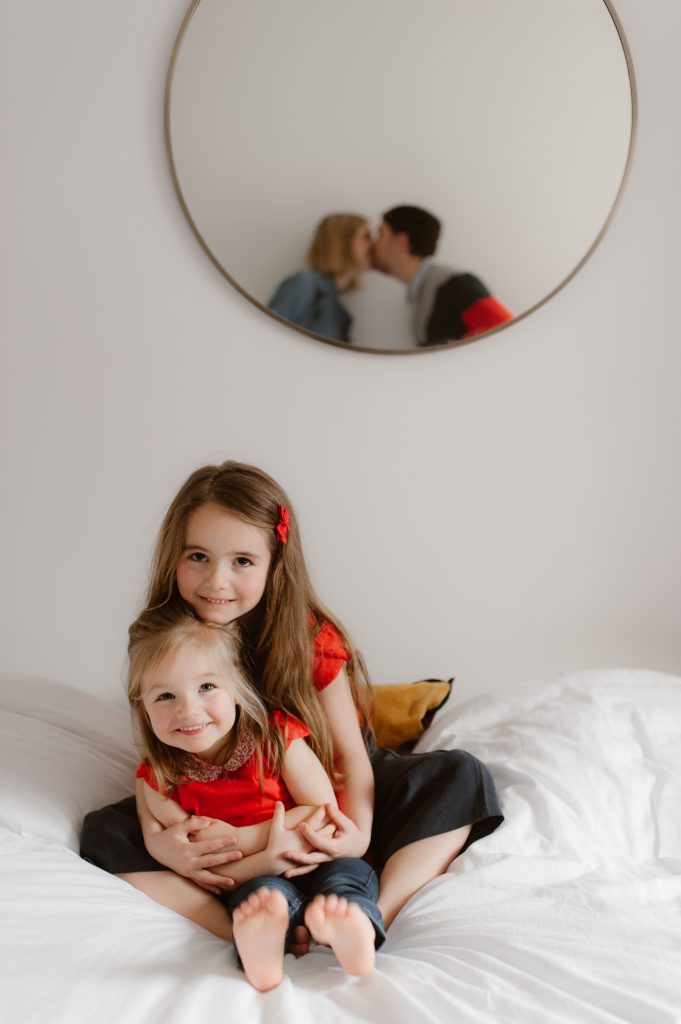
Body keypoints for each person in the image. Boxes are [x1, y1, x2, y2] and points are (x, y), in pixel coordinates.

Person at [81, 460, 503, 953]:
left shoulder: (309, 639)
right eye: (198, 556)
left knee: (460, 777)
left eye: (242, 561)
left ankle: (367, 914)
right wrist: (162, 845)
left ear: (273, 565)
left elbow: (349, 757)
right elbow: (158, 754)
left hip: (328, 791)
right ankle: (236, 924)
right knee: (104, 832)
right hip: (218, 795)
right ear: (173, 556)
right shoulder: (162, 637)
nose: (216, 580)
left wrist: (355, 836)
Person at [128, 609, 383, 989]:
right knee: (262, 902)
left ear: (237, 690)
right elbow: (209, 873)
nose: (187, 709)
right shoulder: (160, 779)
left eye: (206, 688)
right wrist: (266, 858)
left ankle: (351, 931)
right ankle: (263, 950)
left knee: (346, 883)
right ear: (143, 707)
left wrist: (246, 840)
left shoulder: (276, 739)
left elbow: (322, 810)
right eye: (165, 696)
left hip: (319, 854)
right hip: (251, 877)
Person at [372, 205, 513, 346]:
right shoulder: (425, 293)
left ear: (401, 242)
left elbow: (507, 335)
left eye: (380, 235)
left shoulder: (457, 285)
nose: (373, 244)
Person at [267, 213, 372, 343]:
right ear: (343, 241)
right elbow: (264, 336)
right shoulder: (303, 284)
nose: (372, 244)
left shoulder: (341, 315)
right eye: (366, 236)